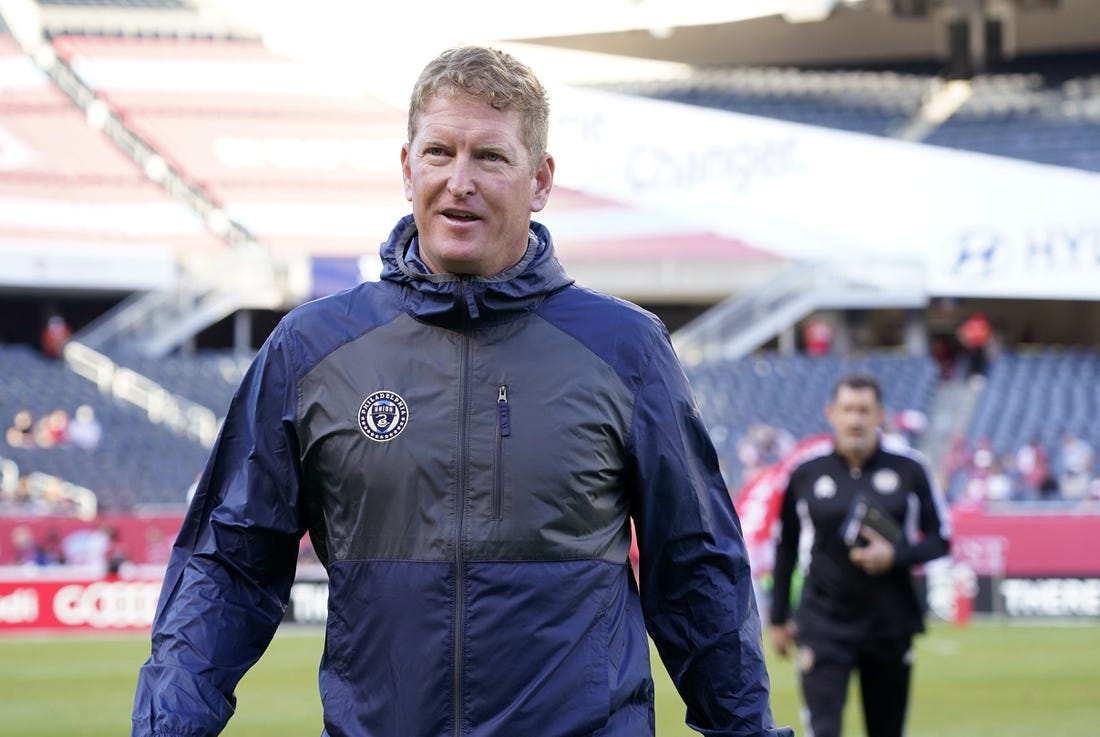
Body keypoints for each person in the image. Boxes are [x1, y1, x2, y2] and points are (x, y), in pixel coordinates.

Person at [132, 46, 791, 737]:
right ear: (407, 166)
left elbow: (696, 571)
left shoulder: (627, 348)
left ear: (539, 180)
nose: (460, 180)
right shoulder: (310, 349)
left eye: (491, 157)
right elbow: (226, 564)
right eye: (440, 151)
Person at [768, 373, 950, 737]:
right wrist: (779, 617)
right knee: (823, 730)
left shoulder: (909, 470)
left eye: (864, 410)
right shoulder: (806, 473)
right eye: (848, 410)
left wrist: (895, 556)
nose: (856, 420)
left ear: (879, 415)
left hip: (890, 624)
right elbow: (786, 545)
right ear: (831, 413)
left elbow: (940, 540)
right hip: (823, 624)